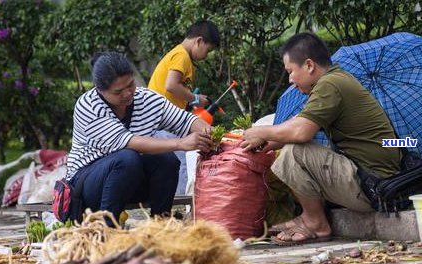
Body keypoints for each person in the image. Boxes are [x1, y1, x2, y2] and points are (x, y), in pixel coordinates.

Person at [241, 32, 400, 245]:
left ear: (308, 65)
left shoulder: (330, 85)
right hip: (373, 179)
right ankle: (309, 217)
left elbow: (300, 132)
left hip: (373, 185)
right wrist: (259, 144)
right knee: (292, 146)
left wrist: (260, 132)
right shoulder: (335, 80)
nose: (289, 79)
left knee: (294, 153)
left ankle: (315, 222)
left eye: (290, 72)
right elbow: (294, 126)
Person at [65, 51, 212, 225]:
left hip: (128, 179)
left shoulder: (146, 98)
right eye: (118, 92)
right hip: (86, 186)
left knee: (167, 160)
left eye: (130, 85)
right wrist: (181, 143)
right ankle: (107, 229)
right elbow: (128, 142)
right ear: (100, 90)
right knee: (127, 157)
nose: (127, 94)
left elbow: (185, 120)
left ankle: (160, 224)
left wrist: (211, 133)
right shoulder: (89, 105)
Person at [148, 19, 220, 195]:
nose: (206, 55)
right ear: (199, 41)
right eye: (208, 50)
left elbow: (176, 91)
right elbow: (171, 85)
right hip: (160, 121)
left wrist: (191, 101)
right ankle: (181, 203)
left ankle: (181, 200)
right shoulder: (182, 55)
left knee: (183, 156)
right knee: (182, 159)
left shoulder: (182, 56)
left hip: (166, 120)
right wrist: (194, 97)